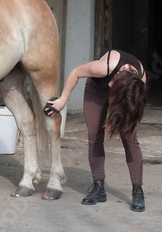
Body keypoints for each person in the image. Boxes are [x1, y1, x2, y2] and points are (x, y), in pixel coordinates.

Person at [45, 49, 147, 212]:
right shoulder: (104, 68)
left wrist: (118, 119)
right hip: (96, 91)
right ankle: (99, 188)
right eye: (113, 82)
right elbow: (75, 72)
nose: (110, 85)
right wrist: (63, 99)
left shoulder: (139, 80)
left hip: (124, 97)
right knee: (94, 136)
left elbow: (131, 107)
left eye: (113, 86)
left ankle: (138, 190)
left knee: (131, 139)